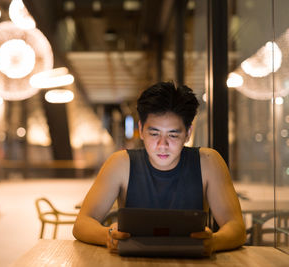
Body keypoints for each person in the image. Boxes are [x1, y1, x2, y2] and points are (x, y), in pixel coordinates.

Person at [72, 81, 246, 255]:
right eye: (154, 134)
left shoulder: (208, 162)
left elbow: (236, 228)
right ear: (141, 129)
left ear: (188, 133)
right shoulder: (121, 163)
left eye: (173, 134)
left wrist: (213, 241)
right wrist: (108, 235)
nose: (162, 145)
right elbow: (82, 223)